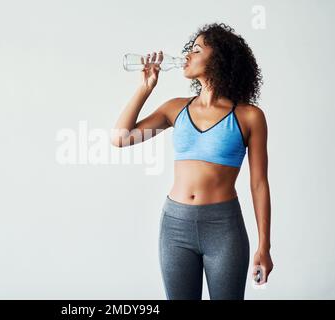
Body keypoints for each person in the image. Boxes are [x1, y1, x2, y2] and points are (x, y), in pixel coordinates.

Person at [111, 23, 273, 300]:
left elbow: (259, 184)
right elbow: (121, 138)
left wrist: (264, 247)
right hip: (175, 226)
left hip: (224, 229)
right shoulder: (175, 108)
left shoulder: (249, 116)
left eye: (196, 49)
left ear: (219, 58)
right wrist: (145, 88)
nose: (187, 54)